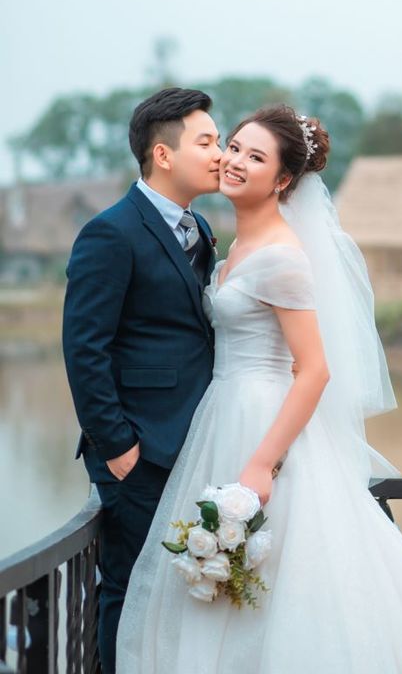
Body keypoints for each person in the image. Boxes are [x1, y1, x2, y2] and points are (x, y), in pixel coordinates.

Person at [116, 104, 402, 673]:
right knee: (225, 588)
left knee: (286, 583)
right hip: (222, 416)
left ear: (283, 180)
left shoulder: (282, 257)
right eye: (235, 147)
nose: (234, 161)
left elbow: (314, 371)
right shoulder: (229, 249)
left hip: (263, 425)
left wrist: (261, 465)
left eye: (256, 157)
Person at [62, 87, 222, 673]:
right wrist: (117, 446)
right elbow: (85, 347)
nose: (220, 153)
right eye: (206, 142)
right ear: (163, 154)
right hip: (139, 450)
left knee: (186, 590)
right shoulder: (111, 232)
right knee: (130, 590)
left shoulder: (200, 227)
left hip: (195, 443)